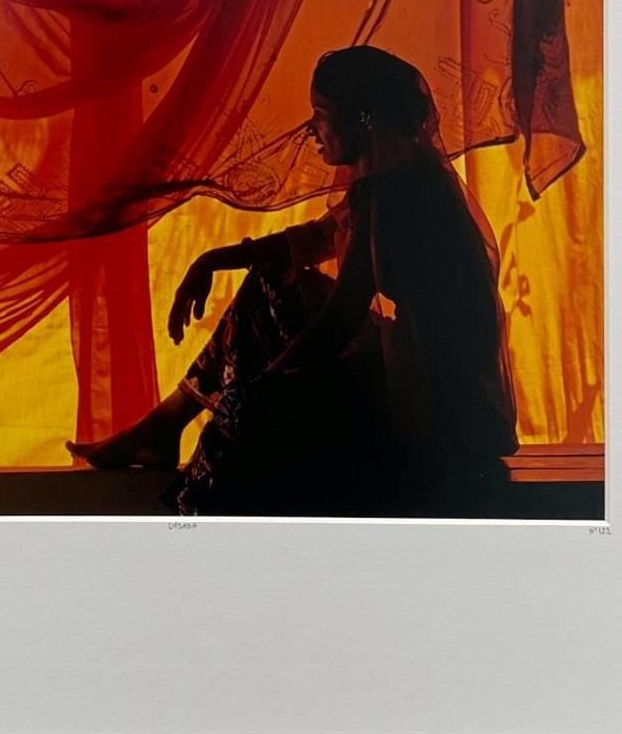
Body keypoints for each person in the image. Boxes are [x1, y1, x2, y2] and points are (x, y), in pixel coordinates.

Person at [66, 46, 520, 516]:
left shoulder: (389, 196)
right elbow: (317, 238)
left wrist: (260, 389)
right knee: (270, 285)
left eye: (321, 113)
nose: (311, 130)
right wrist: (214, 259)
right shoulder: (406, 180)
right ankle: (166, 423)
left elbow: (339, 321)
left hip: (430, 417)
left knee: (257, 377)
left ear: (364, 118)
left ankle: (166, 431)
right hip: (446, 404)